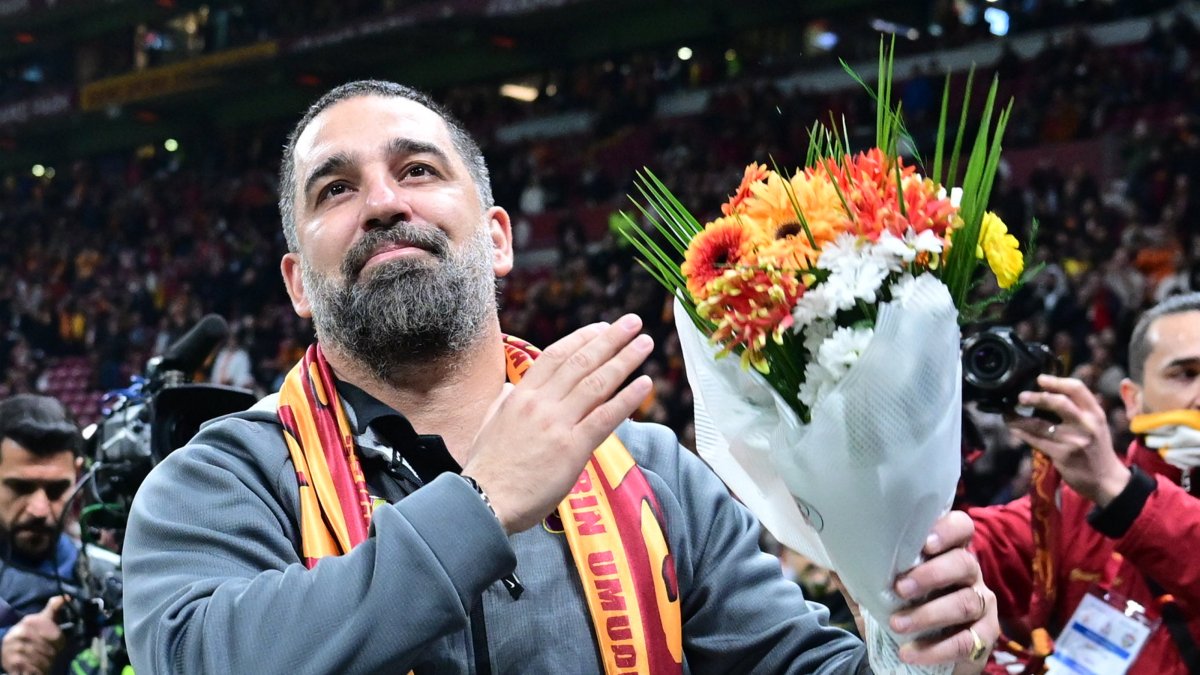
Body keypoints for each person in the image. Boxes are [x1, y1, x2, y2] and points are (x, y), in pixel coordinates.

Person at [123, 80, 999, 674]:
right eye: (335, 190)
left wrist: (918, 651)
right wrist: (481, 503)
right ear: (295, 286)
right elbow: (202, 653)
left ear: (498, 237)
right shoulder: (214, 480)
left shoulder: (650, 470)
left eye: (418, 170)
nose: (385, 201)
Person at [970, 292, 1200, 674]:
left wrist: (1122, 493)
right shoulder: (1076, 504)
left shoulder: (1106, 486)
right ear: (1133, 400)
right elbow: (980, 544)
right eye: (1186, 374)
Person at [0, 394, 82, 675]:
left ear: (78, 475)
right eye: (21, 488)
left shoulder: (97, 574)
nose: (39, 509)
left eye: (57, 490)